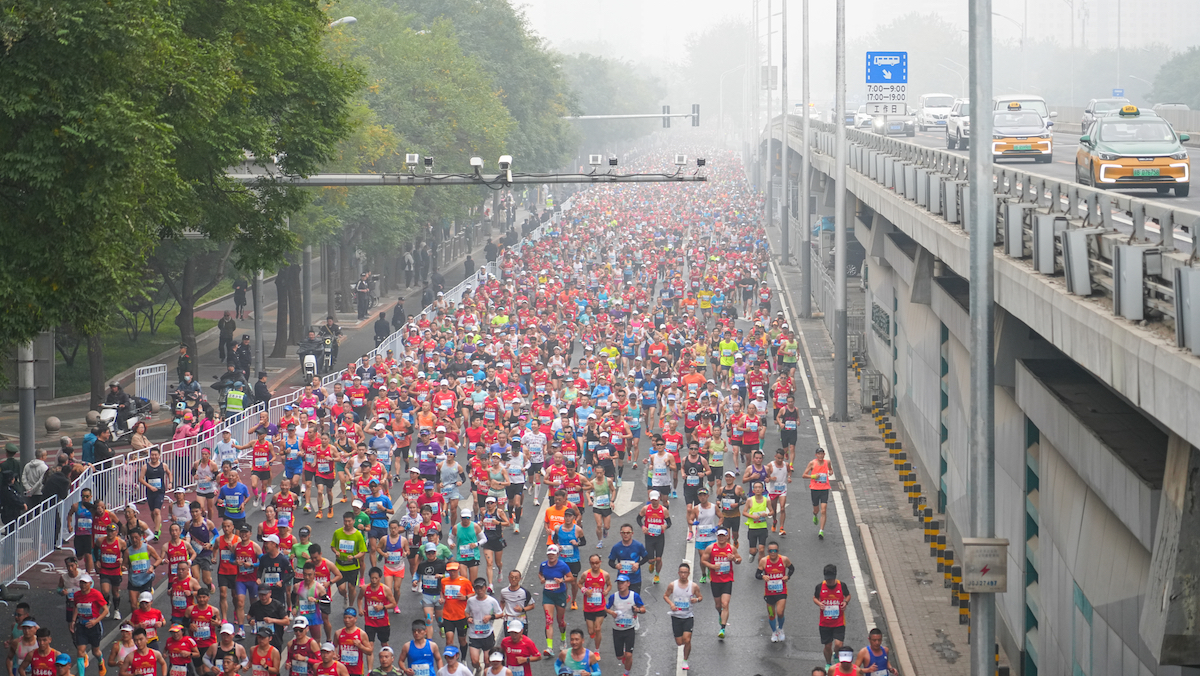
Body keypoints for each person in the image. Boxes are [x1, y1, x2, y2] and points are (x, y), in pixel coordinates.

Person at [699, 527, 741, 639]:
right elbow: (703, 560)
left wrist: (734, 559)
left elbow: (739, 560)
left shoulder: (731, 548)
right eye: (719, 536)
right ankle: (720, 614)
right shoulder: (711, 548)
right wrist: (712, 566)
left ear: (727, 537)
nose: (721, 538)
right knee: (718, 605)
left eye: (723, 536)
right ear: (717, 536)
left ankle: (722, 628)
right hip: (715, 580)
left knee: (725, 604)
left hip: (727, 580)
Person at [662, 562, 701, 671]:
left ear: (689, 573)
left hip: (688, 616)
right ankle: (684, 645)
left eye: (685, 572)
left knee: (687, 640)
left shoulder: (693, 586)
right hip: (676, 617)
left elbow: (700, 597)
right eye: (681, 572)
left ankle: (685, 660)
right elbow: (665, 595)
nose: (683, 574)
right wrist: (671, 604)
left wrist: (696, 599)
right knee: (679, 642)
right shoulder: (672, 585)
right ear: (678, 573)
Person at [537, 546, 572, 657]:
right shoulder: (543, 565)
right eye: (549, 554)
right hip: (548, 595)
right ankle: (549, 647)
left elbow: (571, 578)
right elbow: (540, 573)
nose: (551, 556)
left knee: (560, 621)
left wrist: (562, 580)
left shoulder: (563, 565)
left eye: (553, 554)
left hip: (560, 595)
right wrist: (542, 579)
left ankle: (563, 638)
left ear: (557, 554)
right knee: (549, 620)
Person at [71, 574, 109, 676]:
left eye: (85, 583)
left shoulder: (96, 594)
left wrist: (95, 621)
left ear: (90, 584)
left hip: (94, 626)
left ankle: (100, 661)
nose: (83, 585)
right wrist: (73, 621)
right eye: (81, 583)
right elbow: (76, 607)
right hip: (81, 625)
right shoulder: (77, 595)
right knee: (80, 651)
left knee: (95, 651)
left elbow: (106, 610)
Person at [605, 575, 643, 676]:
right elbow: (605, 607)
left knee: (629, 654)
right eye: (619, 583)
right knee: (619, 656)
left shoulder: (634, 596)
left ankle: (626, 673)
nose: (620, 585)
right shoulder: (614, 597)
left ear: (628, 584)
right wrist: (611, 612)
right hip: (617, 630)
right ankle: (624, 657)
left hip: (629, 629)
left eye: (622, 583)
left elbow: (643, 609)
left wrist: (638, 610)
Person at [815, 564, 851, 667]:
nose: (829, 581)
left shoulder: (842, 585)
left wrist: (845, 602)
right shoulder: (819, 587)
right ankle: (828, 663)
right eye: (827, 579)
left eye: (831, 579)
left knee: (839, 644)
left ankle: (836, 654)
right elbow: (815, 598)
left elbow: (848, 595)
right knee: (827, 646)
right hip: (825, 623)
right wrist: (819, 604)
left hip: (839, 622)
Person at [359, 568, 397, 667]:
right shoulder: (365, 588)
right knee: (369, 647)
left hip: (383, 622)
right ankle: (370, 670)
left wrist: (383, 607)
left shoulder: (385, 589)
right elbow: (359, 598)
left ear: (380, 578)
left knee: (384, 644)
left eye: (376, 578)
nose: (374, 580)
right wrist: (360, 609)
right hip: (369, 622)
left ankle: (389, 665)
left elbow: (393, 604)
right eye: (372, 578)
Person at [757, 540, 794, 643]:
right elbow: (757, 574)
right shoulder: (764, 561)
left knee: (780, 612)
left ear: (778, 551)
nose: (773, 553)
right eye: (771, 551)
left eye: (775, 551)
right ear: (768, 551)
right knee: (771, 614)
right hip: (769, 593)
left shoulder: (784, 559)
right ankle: (774, 632)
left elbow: (792, 569)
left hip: (781, 591)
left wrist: (788, 576)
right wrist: (763, 576)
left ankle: (780, 629)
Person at [463, 578, 501, 673]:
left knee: (487, 662)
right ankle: (478, 668)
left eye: (481, 588)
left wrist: (490, 617)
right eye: (477, 588)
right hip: (474, 635)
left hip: (487, 635)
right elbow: (466, 612)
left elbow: (500, 614)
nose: (479, 590)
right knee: (474, 661)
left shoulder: (492, 601)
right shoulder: (471, 601)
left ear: (485, 588)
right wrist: (469, 618)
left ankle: (486, 673)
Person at [332, 512, 368, 607]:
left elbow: (363, 551)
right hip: (340, 565)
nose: (347, 523)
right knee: (341, 589)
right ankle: (345, 596)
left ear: (353, 521)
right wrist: (336, 552)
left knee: (351, 588)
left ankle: (351, 606)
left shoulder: (358, 535)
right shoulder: (337, 533)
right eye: (345, 521)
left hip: (352, 566)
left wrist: (354, 557)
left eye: (349, 521)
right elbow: (333, 546)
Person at [138, 447, 173, 539]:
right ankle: (158, 524)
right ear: (150, 456)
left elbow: (169, 473)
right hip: (150, 492)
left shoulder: (163, 465)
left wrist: (170, 483)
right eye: (152, 455)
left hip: (160, 491)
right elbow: (141, 479)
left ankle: (156, 532)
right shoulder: (145, 467)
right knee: (153, 512)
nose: (154, 457)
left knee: (157, 511)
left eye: (155, 455)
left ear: (159, 456)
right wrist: (150, 486)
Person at [606, 525, 648, 597]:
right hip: (622, 579)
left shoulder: (638, 545)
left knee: (634, 601)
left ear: (632, 533)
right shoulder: (616, 547)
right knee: (623, 600)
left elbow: (646, 558)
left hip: (635, 579)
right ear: (621, 533)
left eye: (628, 533)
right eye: (623, 532)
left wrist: (638, 564)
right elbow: (610, 562)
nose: (626, 534)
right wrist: (616, 566)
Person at [801, 448, 832, 539]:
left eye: (822, 454)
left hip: (825, 488)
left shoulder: (827, 462)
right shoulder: (812, 463)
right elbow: (804, 475)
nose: (820, 456)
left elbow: (830, 469)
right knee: (816, 510)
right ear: (816, 455)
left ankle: (821, 530)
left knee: (824, 510)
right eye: (819, 454)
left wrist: (830, 471)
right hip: (815, 489)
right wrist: (813, 476)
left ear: (824, 454)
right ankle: (815, 515)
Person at [336, 609, 371, 676]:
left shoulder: (361, 634)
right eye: (345, 618)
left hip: (357, 670)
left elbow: (369, 652)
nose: (347, 620)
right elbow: (334, 646)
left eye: (349, 618)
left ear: (355, 619)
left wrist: (360, 646)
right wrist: (334, 654)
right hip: (342, 669)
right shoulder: (338, 633)